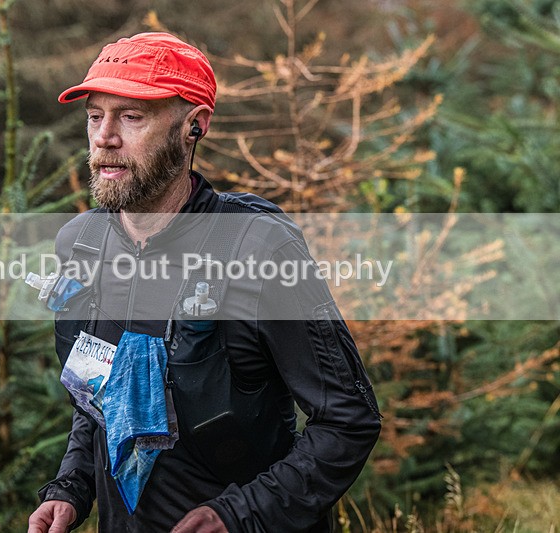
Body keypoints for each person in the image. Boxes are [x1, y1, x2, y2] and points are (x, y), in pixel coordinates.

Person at [28, 32, 381, 533]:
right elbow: (99, 394)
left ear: (194, 126)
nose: (105, 136)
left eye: (132, 116)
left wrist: (238, 515)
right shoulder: (80, 246)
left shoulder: (256, 250)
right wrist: (71, 487)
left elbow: (349, 420)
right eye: (94, 115)